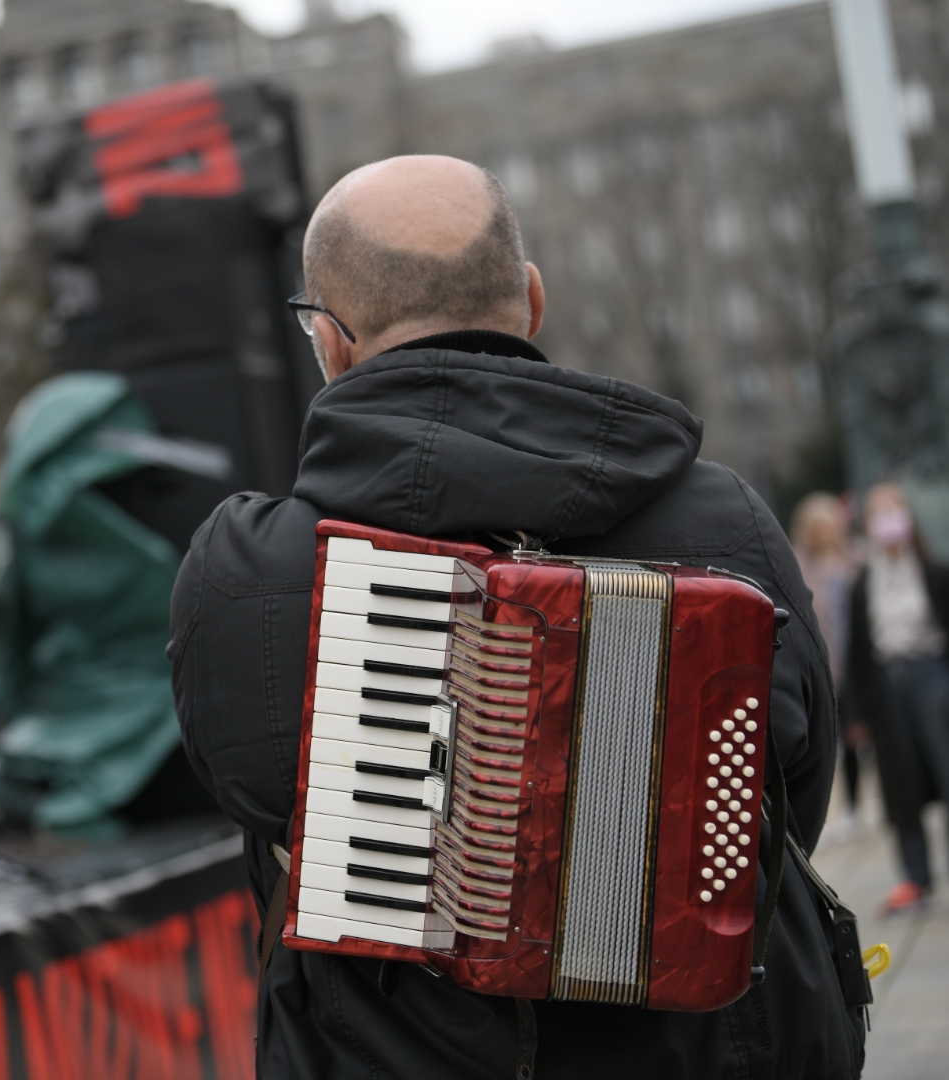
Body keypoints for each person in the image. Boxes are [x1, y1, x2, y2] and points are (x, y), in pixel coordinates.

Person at [168, 155, 862, 1078]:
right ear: (531, 302)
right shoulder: (724, 518)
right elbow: (793, 789)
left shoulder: (251, 566)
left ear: (330, 343)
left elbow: (244, 792)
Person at [846, 481, 949, 915]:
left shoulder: (932, 571)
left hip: (933, 675)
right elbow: (856, 650)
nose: (888, 520)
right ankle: (915, 877)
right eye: (879, 513)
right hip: (888, 686)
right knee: (901, 784)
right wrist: (855, 713)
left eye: (894, 510)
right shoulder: (864, 583)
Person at [791, 492, 865, 838]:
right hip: (824, 665)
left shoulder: (855, 559)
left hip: (858, 664)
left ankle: (856, 805)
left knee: (856, 735)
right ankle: (832, 813)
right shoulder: (800, 566)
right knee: (827, 737)